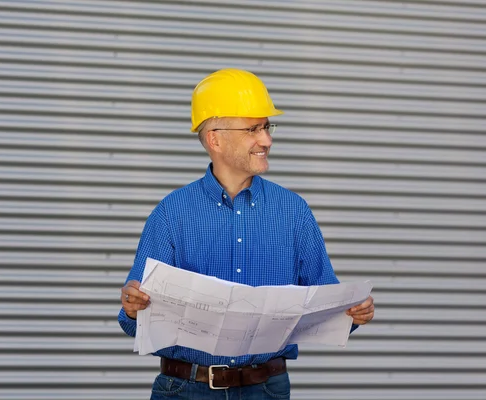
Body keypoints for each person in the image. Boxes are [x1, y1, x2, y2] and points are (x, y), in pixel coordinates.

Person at [118, 68, 375, 399]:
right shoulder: (171, 214)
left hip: (266, 391)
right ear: (215, 139)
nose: (266, 140)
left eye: (267, 127)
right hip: (185, 391)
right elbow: (132, 320)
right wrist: (132, 305)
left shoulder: (293, 212)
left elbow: (329, 306)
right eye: (253, 129)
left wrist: (354, 312)